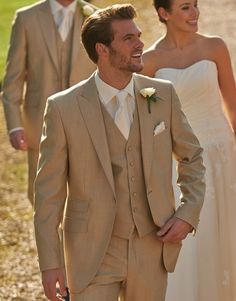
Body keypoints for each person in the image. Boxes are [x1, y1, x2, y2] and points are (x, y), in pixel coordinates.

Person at [34, 4, 205, 301]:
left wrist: (188, 213)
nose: (141, 44)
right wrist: (50, 264)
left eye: (138, 36)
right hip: (92, 252)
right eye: (128, 39)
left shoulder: (161, 94)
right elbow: (48, 195)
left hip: (152, 246)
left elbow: (193, 157)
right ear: (102, 49)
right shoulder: (63, 108)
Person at [141, 0, 236, 300]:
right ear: (163, 13)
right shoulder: (149, 61)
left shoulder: (215, 47)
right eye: (185, 7)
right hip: (179, 161)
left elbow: (233, 107)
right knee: (192, 240)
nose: (195, 13)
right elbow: (147, 122)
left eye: (195, 5)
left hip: (222, 153)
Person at [1, 0, 96, 203]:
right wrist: (15, 126)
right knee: (41, 195)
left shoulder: (97, 18)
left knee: (85, 195)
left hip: (87, 121)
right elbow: (13, 79)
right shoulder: (26, 18)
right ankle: (45, 235)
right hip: (40, 123)